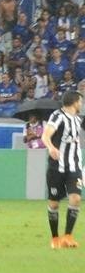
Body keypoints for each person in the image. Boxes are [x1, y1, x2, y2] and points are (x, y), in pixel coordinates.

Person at [41, 91, 82, 250]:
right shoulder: (58, 116)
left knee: (76, 199)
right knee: (54, 203)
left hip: (74, 166)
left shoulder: (78, 119)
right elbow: (45, 136)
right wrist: (51, 148)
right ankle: (55, 238)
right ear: (75, 102)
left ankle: (68, 236)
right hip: (56, 167)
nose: (82, 104)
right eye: (81, 101)